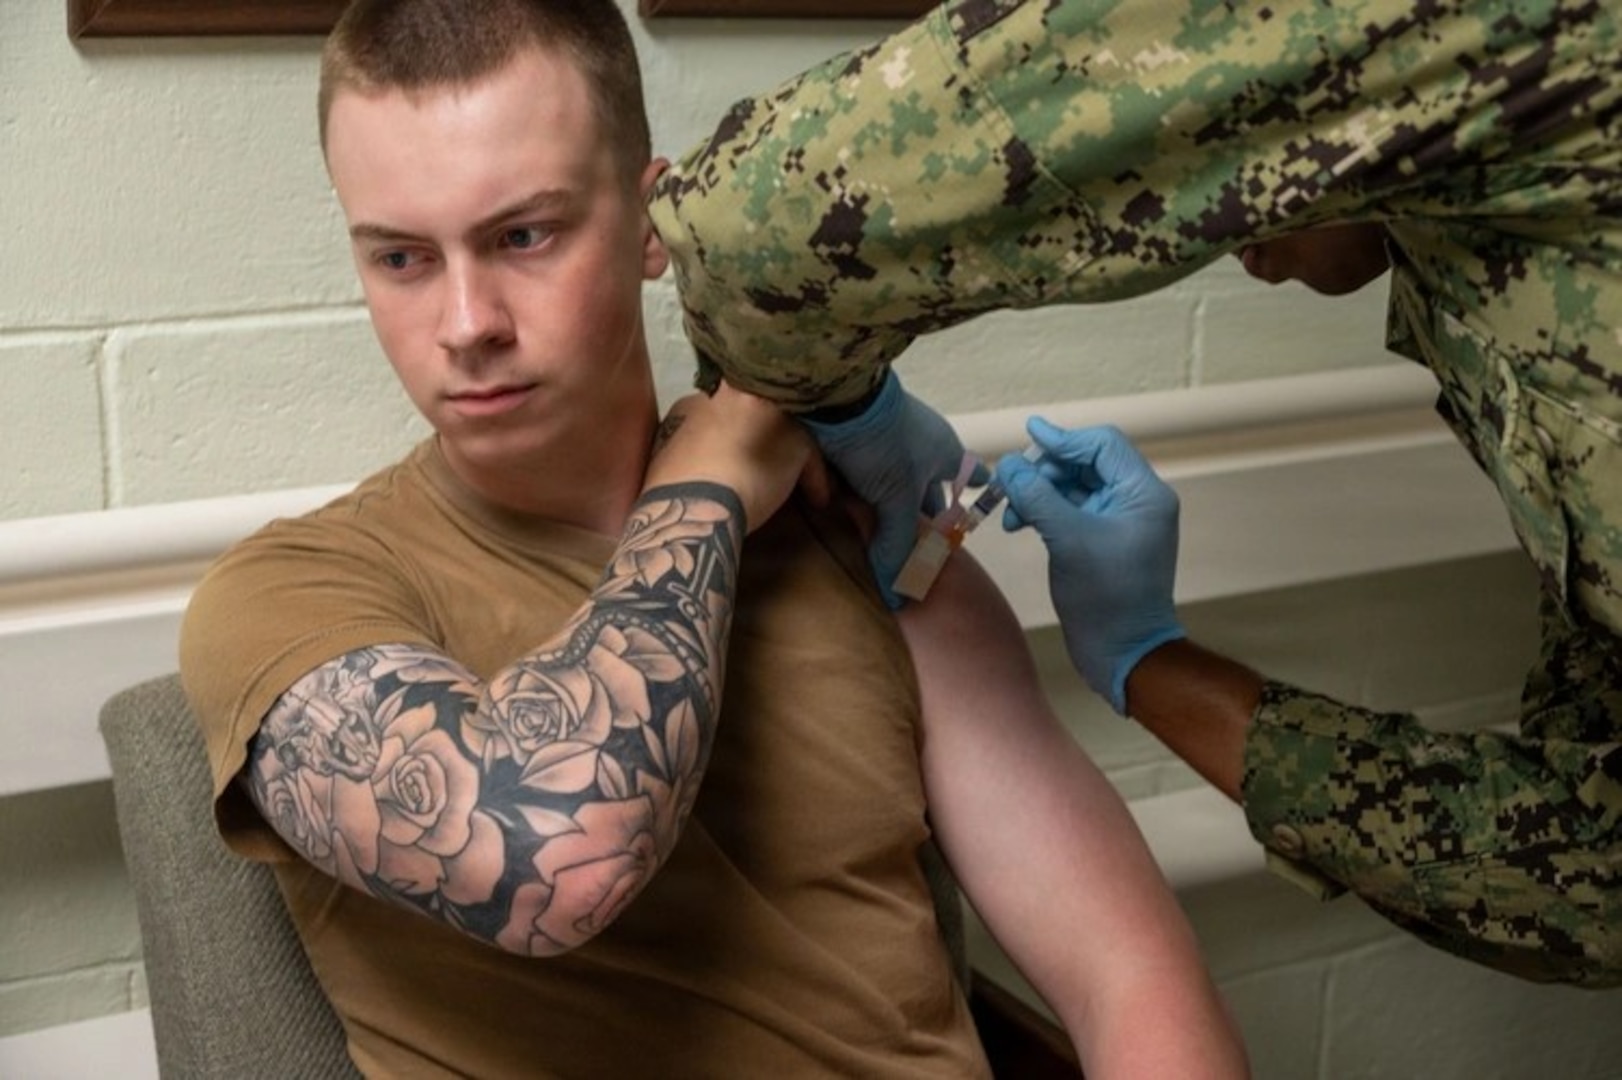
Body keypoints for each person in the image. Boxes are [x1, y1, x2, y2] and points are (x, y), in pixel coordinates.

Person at [178, 1, 1249, 1076]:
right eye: (402, 258)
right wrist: (708, 484)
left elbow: (1126, 976)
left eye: (523, 235)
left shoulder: (857, 537)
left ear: (654, 225)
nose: (466, 323)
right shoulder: (287, 595)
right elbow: (547, 867)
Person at [646, 0, 1621, 985]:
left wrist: (846, 415)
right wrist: (1149, 662)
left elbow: (745, 231)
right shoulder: (1491, 202)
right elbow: (1591, 869)